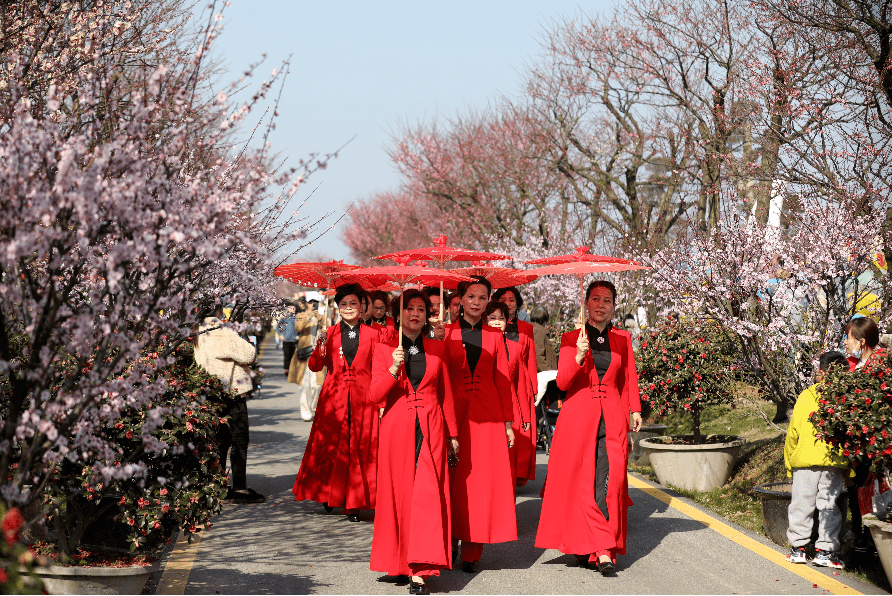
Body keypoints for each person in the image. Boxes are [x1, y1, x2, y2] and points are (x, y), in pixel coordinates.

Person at [535, 280, 643, 574]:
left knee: (609, 481)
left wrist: (634, 409)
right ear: (586, 302)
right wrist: (579, 355)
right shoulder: (572, 338)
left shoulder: (622, 338)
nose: (600, 304)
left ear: (613, 306)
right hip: (577, 418)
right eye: (595, 298)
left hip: (612, 416)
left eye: (607, 300)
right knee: (579, 483)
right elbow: (564, 383)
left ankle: (604, 548)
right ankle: (585, 544)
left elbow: (627, 378)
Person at [370, 290, 459, 595]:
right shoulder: (384, 350)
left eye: (422, 309)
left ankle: (420, 567)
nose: (416, 314)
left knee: (426, 492)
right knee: (399, 494)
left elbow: (445, 393)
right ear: (399, 313)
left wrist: (453, 434)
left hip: (432, 426)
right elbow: (374, 395)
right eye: (409, 308)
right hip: (397, 428)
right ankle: (398, 561)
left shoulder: (436, 348)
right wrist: (393, 369)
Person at [443, 277, 517, 572]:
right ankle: (448, 540)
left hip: (488, 416)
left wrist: (508, 424)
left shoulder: (495, 336)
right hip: (453, 414)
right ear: (460, 299)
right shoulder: (443, 333)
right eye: (471, 296)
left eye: (482, 297)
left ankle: (473, 549)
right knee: (452, 479)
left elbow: (502, 380)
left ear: (489, 302)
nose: (476, 301)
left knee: (480, 483)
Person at [292, 284, 380, 521]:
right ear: (337, 307)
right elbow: (314, 366)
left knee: (358, 450)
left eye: (353, 303)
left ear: (362, 306)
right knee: (330, 448)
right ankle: (328, 493)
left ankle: (353, 504)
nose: (348, 308)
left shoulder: (374, 335)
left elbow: (379, 368)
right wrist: (320, 344)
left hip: (363, 398)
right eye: (344, 304)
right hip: (334, 397)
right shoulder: (328, 333)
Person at [784, 351, 849, 569]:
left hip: (804, 462)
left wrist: (788, 462)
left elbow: (793, 432)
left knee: (801, 504)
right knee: (829, 506)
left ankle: (798, 549)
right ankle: (826, 551)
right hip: (833, 463)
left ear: (819, 373)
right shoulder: (844, 398)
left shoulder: (806, 396)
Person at [194, 307, 265, 503]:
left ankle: (219, 487)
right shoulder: (222, 332)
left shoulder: (197, 332)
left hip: (210, 393)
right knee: (239, 441)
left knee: (220, 442)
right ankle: (240, 489)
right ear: (217, 311)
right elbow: (248, 355)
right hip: (231, 393)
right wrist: (245, 341)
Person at [843, 316, 886, 556]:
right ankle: (864, 538)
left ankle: (873, 541)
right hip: (858, 445)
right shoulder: (855, 365)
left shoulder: (880, 365)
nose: (846, 343)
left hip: (874, 444)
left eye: (848, 338)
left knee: (875, 488)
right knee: (857, 487)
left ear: (861, 341)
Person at [493, 286, 538, 486]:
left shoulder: (526, 329)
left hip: (520, 383)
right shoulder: (490, 327)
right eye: (503, 299)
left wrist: (533, 388)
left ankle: (516, 474)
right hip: (496, 387)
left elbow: (530, 361)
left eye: (511, 300)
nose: (508, 303)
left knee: (520, 432)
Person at [288, 298, 324, 421]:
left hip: (318, 354)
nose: (312, 304)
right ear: (305, 304)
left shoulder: (321, 316)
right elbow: (298, 328)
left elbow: (329, 332)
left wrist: (321, 322)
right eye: (310, 302)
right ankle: (305, 412)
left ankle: (313, 407)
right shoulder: (300, 316)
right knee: (304, 385)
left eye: (315, 302)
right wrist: (308, 317)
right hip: (304, 355)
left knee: (317, 385)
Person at [278, 302, 298, 374]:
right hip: (286, 339)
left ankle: (293, 370)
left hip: (295, 340)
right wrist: (280, 335)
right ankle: (287, 369)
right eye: (291, 308)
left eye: (294, 308)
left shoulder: (297, 317)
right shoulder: (285, 317)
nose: (293, 309)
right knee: (287, 355)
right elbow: (278, 327)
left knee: (294, 356)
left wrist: (299, 335)